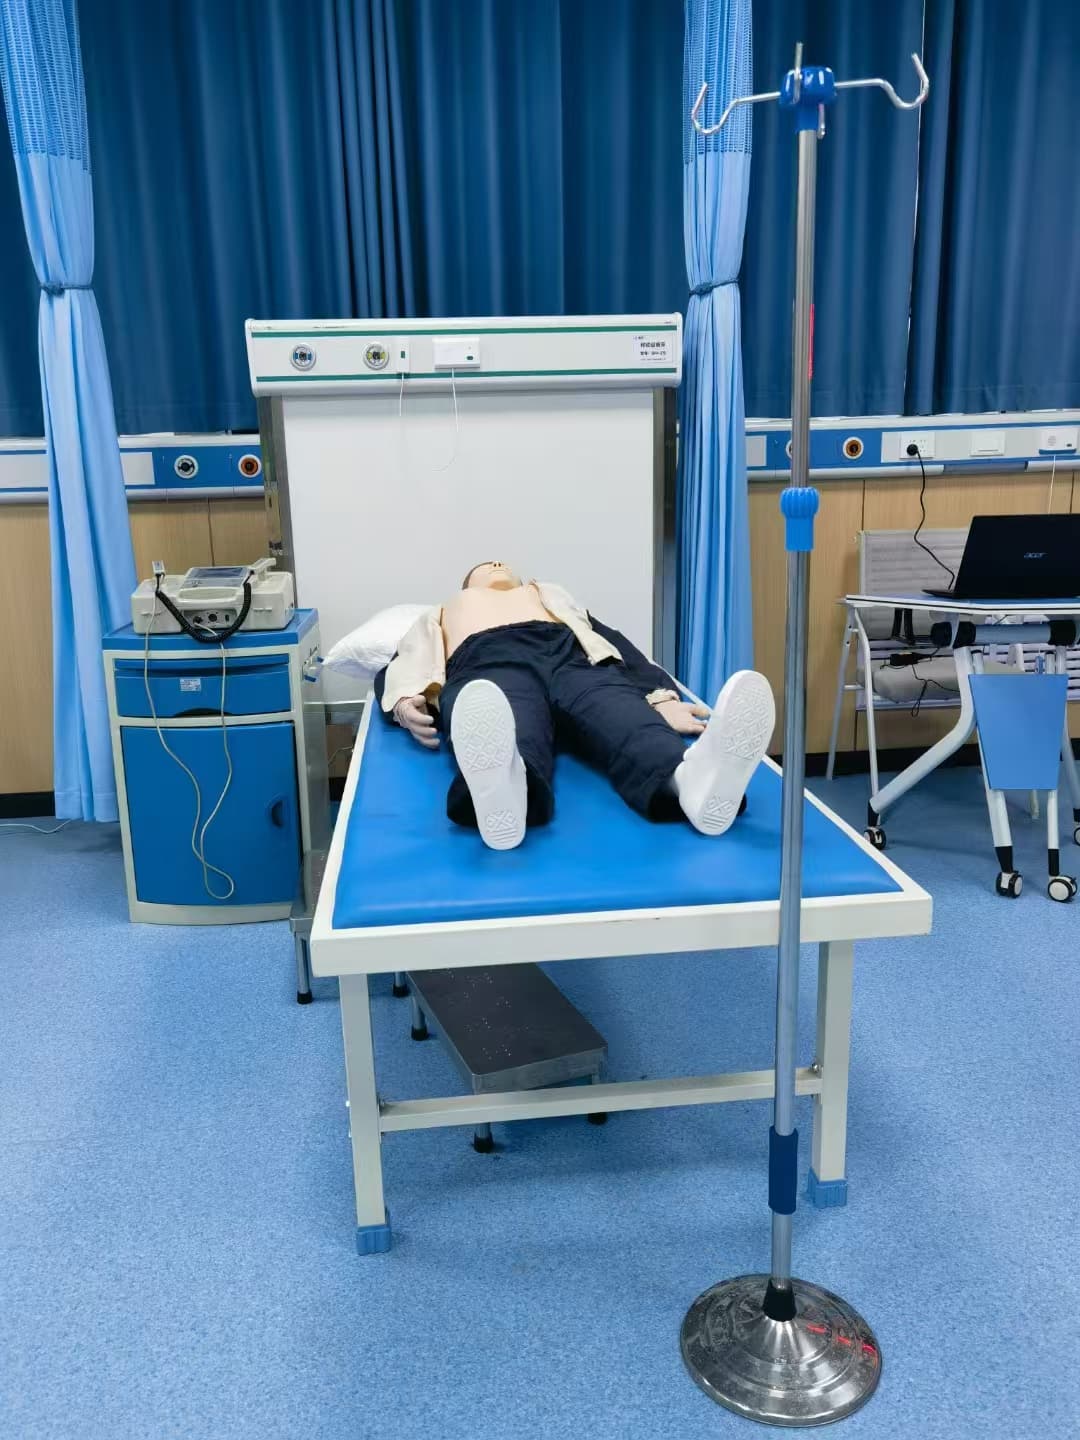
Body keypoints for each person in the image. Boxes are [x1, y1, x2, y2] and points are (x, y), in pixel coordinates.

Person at [376, 561, 775, 851]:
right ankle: (506, 791)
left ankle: (690, 784)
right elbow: (404, 659)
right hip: (488, 661)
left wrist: (660, 697)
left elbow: (614, 643)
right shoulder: (442, 611)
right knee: (504, 722)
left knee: (625, 718)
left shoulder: (547, 595)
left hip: (571, 659)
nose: (497, 564)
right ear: (466, 585)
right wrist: (405, 702)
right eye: (485, 566)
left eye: (503, 563)